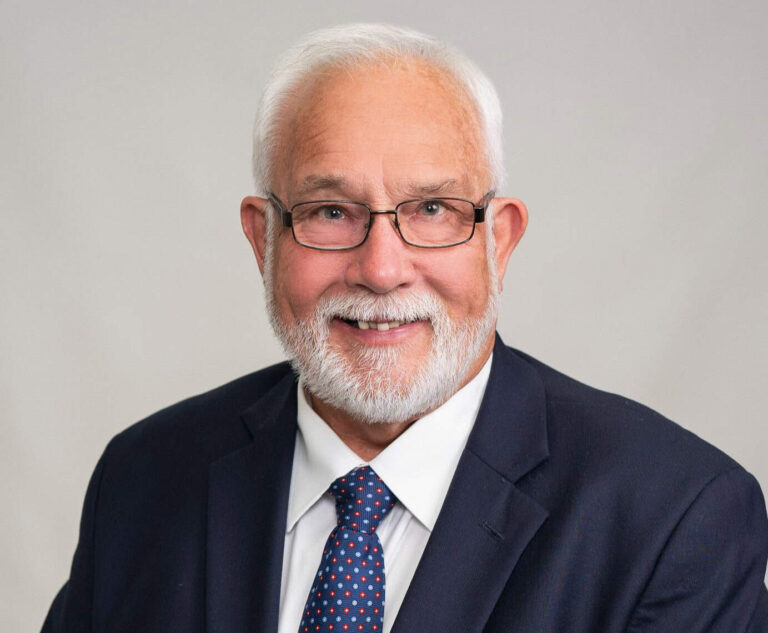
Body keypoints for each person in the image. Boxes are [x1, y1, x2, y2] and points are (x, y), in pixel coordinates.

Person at [43, 23, 768, 633]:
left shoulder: (674, 518)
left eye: (431, 210)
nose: (382, 269)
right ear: (262, 239)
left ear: (500, 241)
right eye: (331, 211)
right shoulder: (143, 479)